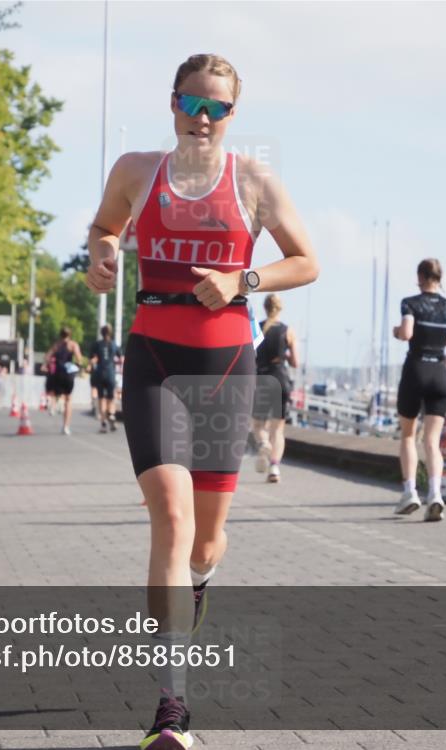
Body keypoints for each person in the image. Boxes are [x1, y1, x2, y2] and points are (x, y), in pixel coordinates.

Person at [85, 53, 318, 750]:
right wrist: (100, 256)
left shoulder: (253, 179)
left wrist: (243, 279)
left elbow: (306, 260)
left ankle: (201, 584)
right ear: (173, 103)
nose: (203, 119)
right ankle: (172, 705)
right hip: (153, 356)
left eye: (217, 108)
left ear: (232, 116)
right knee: (171, 519)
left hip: (224, 366)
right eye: (193, 104)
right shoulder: (135, 170)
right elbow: (103, 227)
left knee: (206, 542)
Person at [392, 258, 446, 521]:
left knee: (407, 436)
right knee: (432, 442)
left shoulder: (410, 303)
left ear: (420, 276)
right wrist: (442, 339)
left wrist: (397, 332)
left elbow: (407, 333)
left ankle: (409, 492)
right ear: (440, 277)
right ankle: (435, 493)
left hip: (416, 370)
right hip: (439, 374)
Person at [251, 294, 299, 483]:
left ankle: (263, 443)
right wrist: (284, 356)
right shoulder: (287, 331)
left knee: (258, 425)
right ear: (280, 308)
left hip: (260, 379)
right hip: (279, 379)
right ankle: (274, 468)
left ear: (265, 307)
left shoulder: (256, 329)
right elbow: (295, 362)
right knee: (278, 430)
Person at [44, 327, 82, 435]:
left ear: (60, 335)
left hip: (57, 373)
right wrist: (77, 367)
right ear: (70, 335)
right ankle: (66, 426)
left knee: (55, 393)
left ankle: (55, 405)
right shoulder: (73, 345)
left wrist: (49, 365)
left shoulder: (56, 345)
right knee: (69, 400)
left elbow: (47, 357)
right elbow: (79, 359)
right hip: (68, 374)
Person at [90, 324, 124, 433]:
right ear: (111, 333)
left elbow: (93, 359)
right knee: (111, 397)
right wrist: (115, 362)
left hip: (100, 373)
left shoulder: (97, 344)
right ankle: (112, 415)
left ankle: (103, 423)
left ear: (101, 333)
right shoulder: (114, 345)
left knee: (101, 398)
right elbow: (122, 359)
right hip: (110, 373)